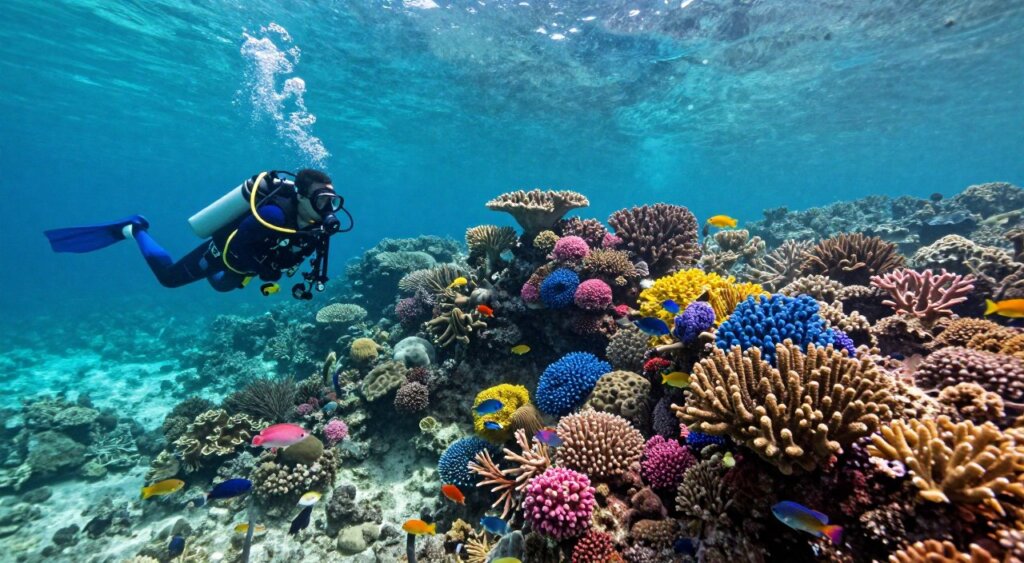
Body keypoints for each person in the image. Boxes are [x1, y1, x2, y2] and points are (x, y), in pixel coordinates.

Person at [45, 169, 352, 299]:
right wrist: (263, 268)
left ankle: (233, 276)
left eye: (332, 201)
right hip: (223, 253)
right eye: (321, 200)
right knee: (168, 279)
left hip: (247, 267)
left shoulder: (317, 224)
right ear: (300, 196)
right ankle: (135, 229)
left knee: (221, 289)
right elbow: (238, 244)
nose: (328, 209)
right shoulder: (273, 214)